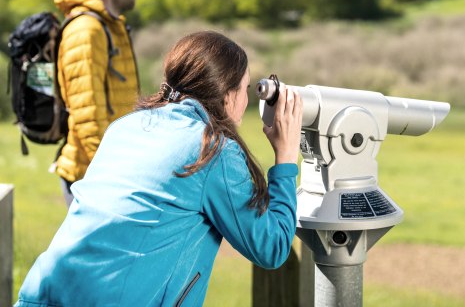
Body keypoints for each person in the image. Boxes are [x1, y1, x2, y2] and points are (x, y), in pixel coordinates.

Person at [15, 30, 303, 307]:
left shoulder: (126, 126)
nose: (246, 100)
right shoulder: (212, 150)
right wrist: (287, 155)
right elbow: (272, 247)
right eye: (246, 88)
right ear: (228, 95)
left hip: (40, 294)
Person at [53, 0, 142, 206]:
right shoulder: (87, 31)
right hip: (93, 179)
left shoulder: (111, 27)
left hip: (112, 174)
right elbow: (87, 115)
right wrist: (112, 176)